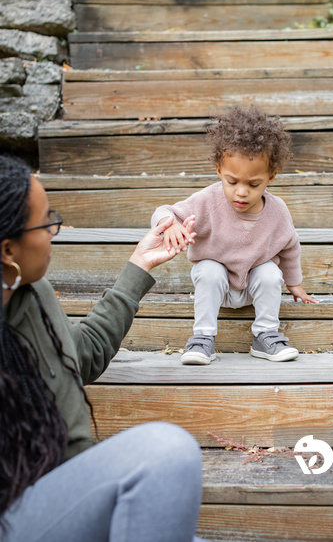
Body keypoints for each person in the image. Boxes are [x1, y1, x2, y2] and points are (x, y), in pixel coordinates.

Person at [0, 154, 206, 542]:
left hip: (68, 494)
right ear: (8, 250)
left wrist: (140, 265)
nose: (55, 230)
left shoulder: (32, 294)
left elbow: (82, 354)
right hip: (14, 516)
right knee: (166, 450)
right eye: (46, 223)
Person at [151, 105, 318, 366]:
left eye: (253, 184)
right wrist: (169, 224)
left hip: (253, 286)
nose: (241, 192)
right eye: (232, 182)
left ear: (270, 177)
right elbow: (163, 210)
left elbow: (290, 247)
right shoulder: (207, 200)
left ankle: (265, 335)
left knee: (271, 273)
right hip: (217, 287)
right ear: (219, 170)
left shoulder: (278, 211)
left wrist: (294, 283)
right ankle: (202, 339)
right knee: (208, 268)